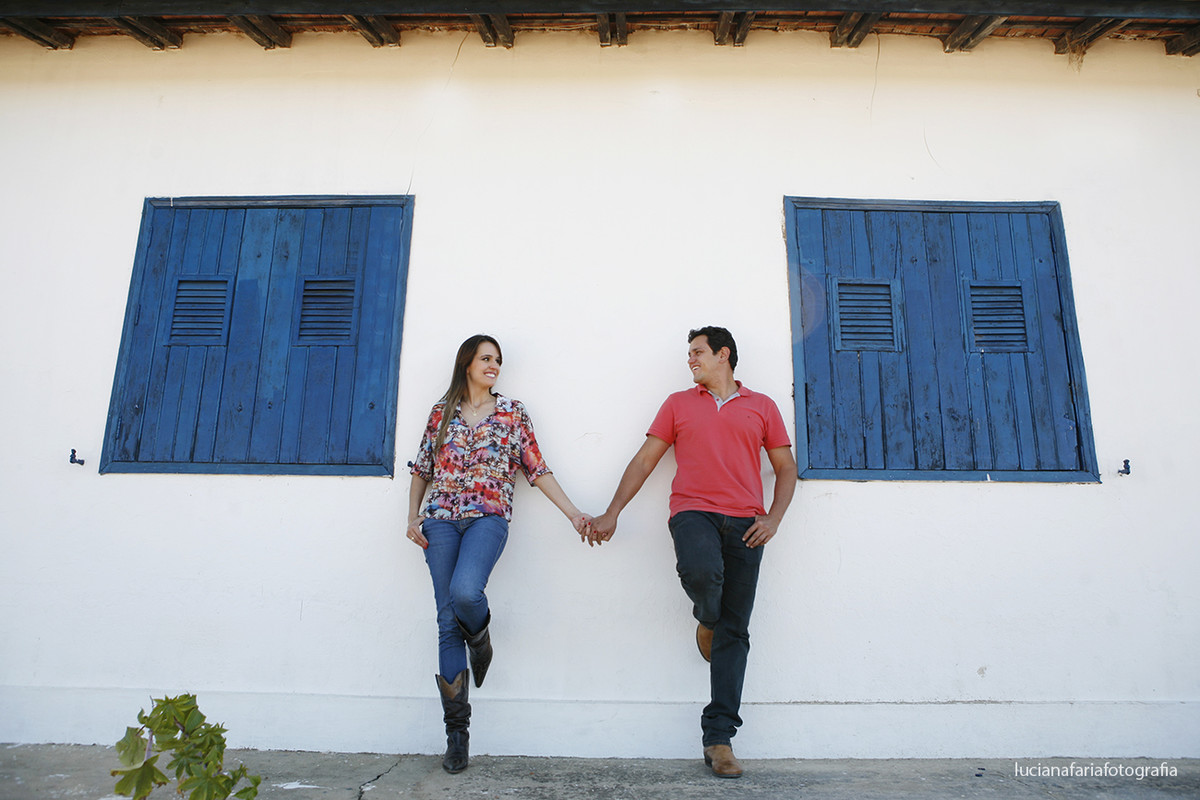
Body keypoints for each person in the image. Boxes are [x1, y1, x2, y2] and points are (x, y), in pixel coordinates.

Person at [589, 326, 797, 779]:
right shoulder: (678, 404)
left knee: (735, 632)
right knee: (702, 574)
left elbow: (785, 466)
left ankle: (719, 739)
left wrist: (774, 518)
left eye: (698, 352)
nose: (691, 359)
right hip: (693, 512)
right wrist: (612, 512)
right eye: (689, 353)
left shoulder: (762, 406)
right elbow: (645, 459)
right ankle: (706, 618)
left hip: (747, 523)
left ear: (724, 355)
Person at [406, 334, 591, 774]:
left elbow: (537, 469)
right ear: (466, 363)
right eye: (485, 358)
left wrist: (573, 513)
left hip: (487, 517)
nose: (493, 366)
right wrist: (412, 516)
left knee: (466, 593)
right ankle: (457, 736)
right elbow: (422, 468)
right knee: (446, 620)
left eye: (498, 360)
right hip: (440, 520)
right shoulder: (441, 412)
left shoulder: (512, 412)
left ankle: (481, 638)